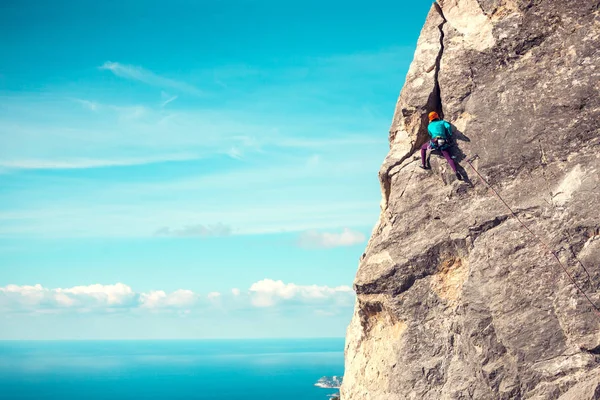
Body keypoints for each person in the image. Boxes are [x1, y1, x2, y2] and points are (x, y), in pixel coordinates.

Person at [420, 111, 463, 180]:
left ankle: (423, 164)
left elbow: (430, 134)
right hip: (443, 142)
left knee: (423, 148)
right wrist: (449, 134)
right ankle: (456, 171)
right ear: (437, 116)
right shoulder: (442, 122)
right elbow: (448, 126)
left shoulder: (429, 126)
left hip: (434, 142)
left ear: (430, 119)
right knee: (449, 158)